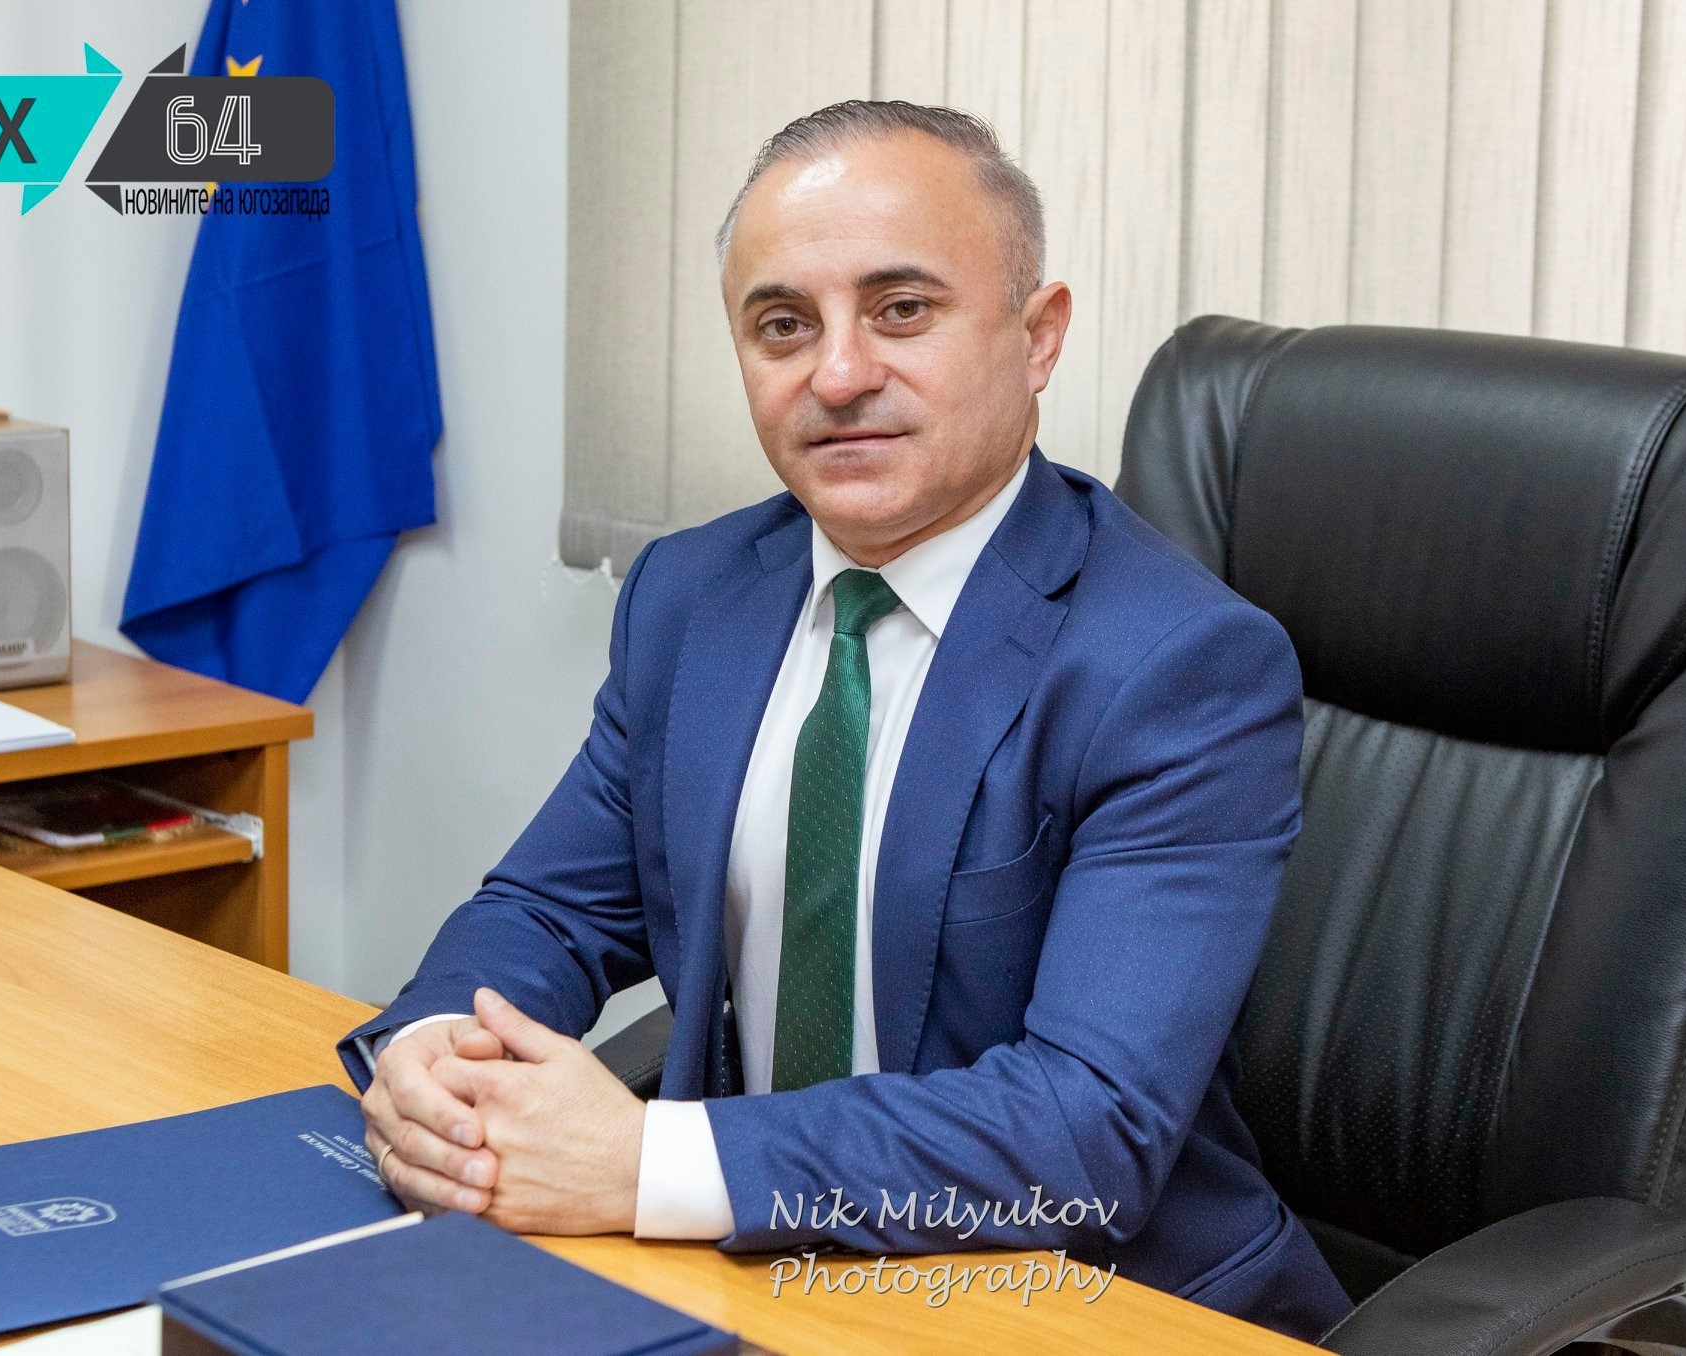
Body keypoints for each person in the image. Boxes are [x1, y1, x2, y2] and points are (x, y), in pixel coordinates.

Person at [339, 100, 1350, 1340]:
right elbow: (549, 910)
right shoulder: (692, 595)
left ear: (1038, 337)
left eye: (902, 310)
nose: (837, 375)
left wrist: (648, 1161)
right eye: (783, 325)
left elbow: (1088, 1128)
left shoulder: (1179, 666)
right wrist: (439, 1054)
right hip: (754, 1275)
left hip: (1081, 1302)